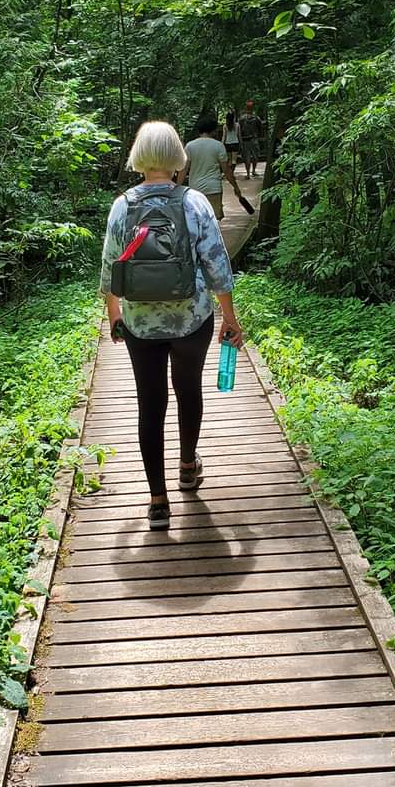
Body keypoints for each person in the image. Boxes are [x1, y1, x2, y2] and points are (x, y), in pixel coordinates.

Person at [101, 121, 244, 530]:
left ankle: (158, 501)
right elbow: (217, 264)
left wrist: (114, 313)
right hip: (191, 318)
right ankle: (186, 466)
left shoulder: (122, 204)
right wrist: (229, 318)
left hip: (141, 323)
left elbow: (112, 265)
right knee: (188, 390)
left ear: (139, 156)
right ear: (178, 156)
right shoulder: (194, 202)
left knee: (150, 403)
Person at [182, 115, 239, 219]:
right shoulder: (218, 145)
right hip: (213, 188)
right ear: (213, 131)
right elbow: (226, 170)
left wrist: (176, 188)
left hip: (195, 189)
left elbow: (184, 170)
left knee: (197, 219)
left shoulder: (190, 146)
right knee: (213, 220)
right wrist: (236, 187)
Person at [238, 100, 264, 180]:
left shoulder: (243, 118)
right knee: (253, 156)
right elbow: (261, 129)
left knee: (249, 157)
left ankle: (250, 172)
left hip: (248, 140)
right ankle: (252, 171)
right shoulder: (255, 118)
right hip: (252, 139)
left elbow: (239, 130)